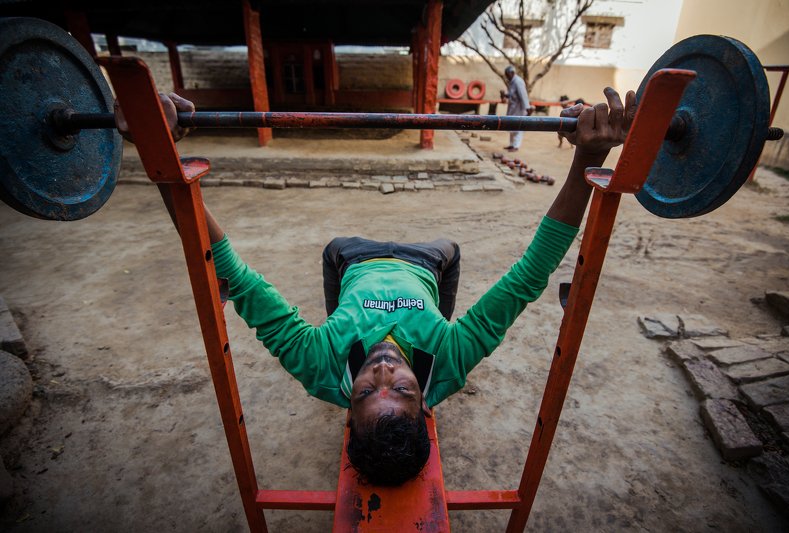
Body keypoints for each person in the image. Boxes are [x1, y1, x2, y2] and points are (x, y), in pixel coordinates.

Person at [116, 87, 636, 487]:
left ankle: (348, 307)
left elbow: (232, 274)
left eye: (366, 391)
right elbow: (528, 277)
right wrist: (585, 161)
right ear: (425, 403)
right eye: (402, 389)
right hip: (428, 261)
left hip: (351, 256)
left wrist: (161, 160)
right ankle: (430, 301)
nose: (384, 371)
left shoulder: (318, 364)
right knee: (451, 252)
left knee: (334, 268)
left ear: (348, 408)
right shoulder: (450, 360)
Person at [499, 65, 532, 152]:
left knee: (518, 127)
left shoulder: (518, 82)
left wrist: (527, 108)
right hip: (513, 108)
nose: (507, 76)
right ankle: (511, 145)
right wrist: (504, 95)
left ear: (512, 73)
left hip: (519, 109)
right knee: (511, 126)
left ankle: (516, 146)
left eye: (507, 74)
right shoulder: (512, 82)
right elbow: (512, 94)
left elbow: (523, 96)